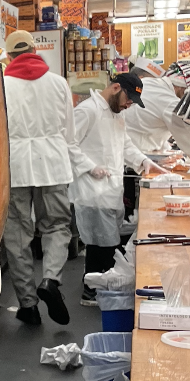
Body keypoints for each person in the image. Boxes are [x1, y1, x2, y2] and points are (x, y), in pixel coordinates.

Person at [1, 30, 86, 326]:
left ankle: (28, 305)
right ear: (36, 51)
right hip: (53, 163)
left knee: (17, 234)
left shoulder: (1, 85)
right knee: (57, 227)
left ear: (8, 56)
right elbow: (69, 133)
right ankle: (50, 280)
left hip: (15, 167)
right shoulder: (58, 83)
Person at [69, 73, 161, 305]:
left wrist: (143, 162)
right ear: (116, 87)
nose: (129, 105)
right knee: (101, 243)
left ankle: (96, 286)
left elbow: (125, 144)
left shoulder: (115, 113)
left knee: (107, 241)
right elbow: (67, 144)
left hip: (110, 189)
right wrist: (90, 167)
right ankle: (91, 293)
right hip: (92, 191)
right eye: (128, 99)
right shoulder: (87, 111)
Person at [124, 61, 190, 164]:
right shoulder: (170, 102)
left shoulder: (148, 83)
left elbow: (147, 125)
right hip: (134, 162)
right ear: (184, 90)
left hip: (124, 154)